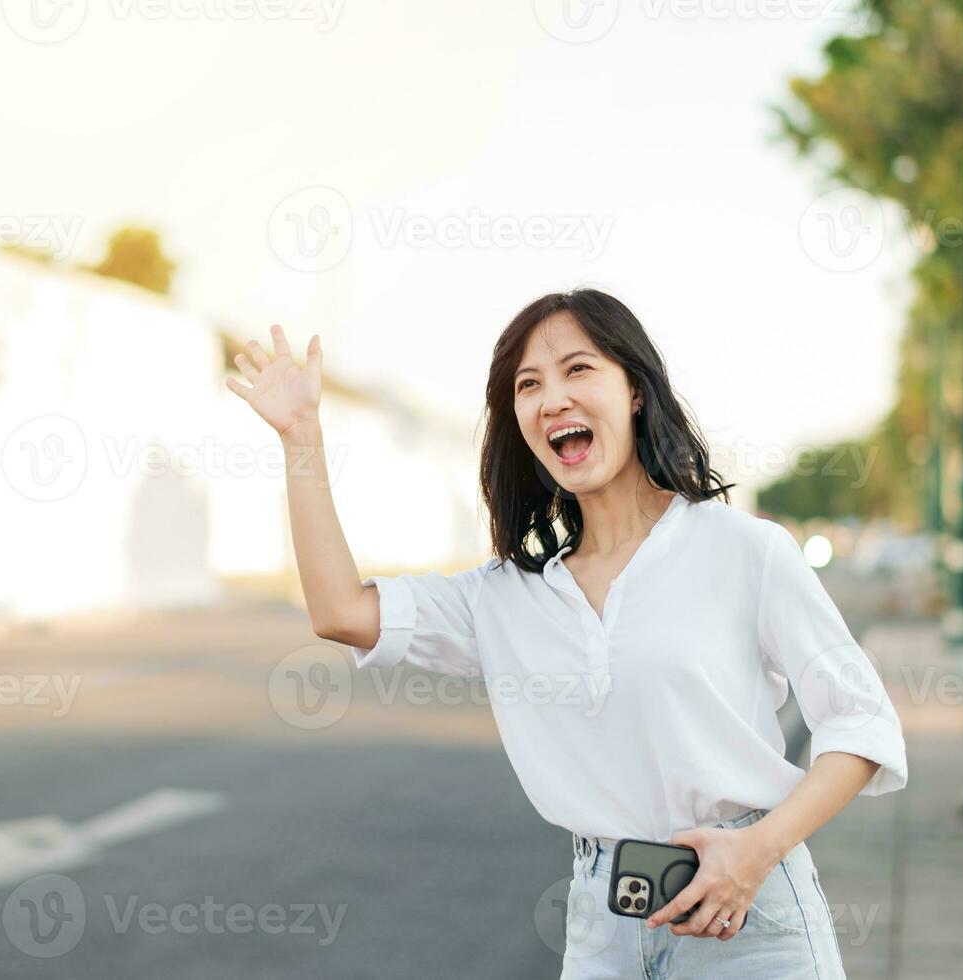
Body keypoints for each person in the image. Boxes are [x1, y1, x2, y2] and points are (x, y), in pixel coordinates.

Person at [224, 288, 907, 979]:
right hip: (603, 923)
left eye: (578, 370)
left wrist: (757, 851)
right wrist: (301, 439)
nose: (552, 398)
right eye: (528, 384)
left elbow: (862, 725)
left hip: (750, 913)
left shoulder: (743, 550)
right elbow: (340, 610)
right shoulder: (506, 596)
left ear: (635, 391)